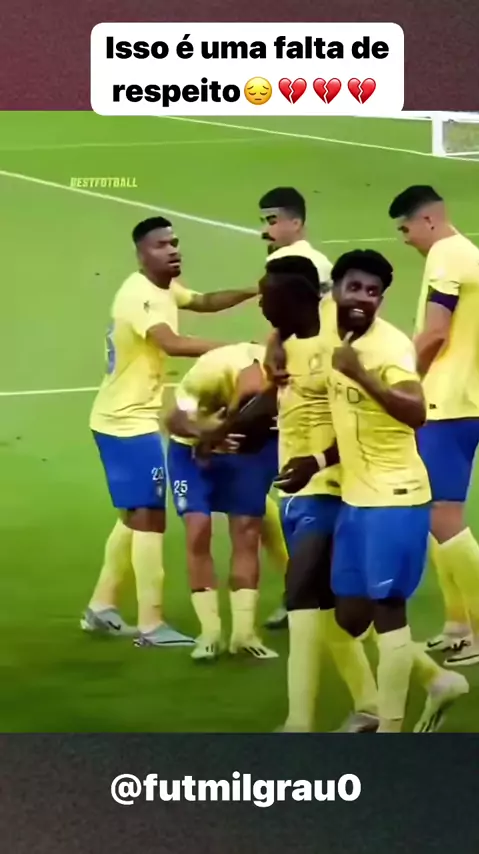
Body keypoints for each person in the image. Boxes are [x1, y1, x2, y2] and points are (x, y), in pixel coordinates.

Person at [84, 216, 257, 647]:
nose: (173, 249)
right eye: (161, 245)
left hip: (130, 416)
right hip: (126, 421)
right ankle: (151, 625)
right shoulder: (139, 295)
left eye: (174, 242)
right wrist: (234, 349)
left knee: (135, 515)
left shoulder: (164, 288)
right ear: (141, 254)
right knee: (150, 518)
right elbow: (172, 343)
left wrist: (254, 289)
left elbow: (205, 300)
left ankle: (101, 607)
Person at [315, 249, 468, 732]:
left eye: (373, 292)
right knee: (348, 615)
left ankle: (390, 729)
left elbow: (415, 410)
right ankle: (439, 683)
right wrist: (315, 462)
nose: (364, 298)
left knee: (388, 612)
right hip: (355, 499)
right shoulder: (330, 333)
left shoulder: (391, 348)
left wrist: (360, 373)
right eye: (355, 288)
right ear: (336, 290)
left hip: (397, 499)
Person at [259, 255, 379, 732]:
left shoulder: (338, 344)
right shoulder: (289, 340)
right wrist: (220, 432)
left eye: (268, 299)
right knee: (328, 614)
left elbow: (361, 424)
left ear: (295, 299)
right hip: (297, 491)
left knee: (302, 600)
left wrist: (317, 461)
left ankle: (299, 724)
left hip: (329, 490)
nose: (261, 308)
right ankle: (384, 699)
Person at [389, 186, 479, 665]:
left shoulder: (445, 256)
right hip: (465, 401)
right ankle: (457, 624)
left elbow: (436, 332)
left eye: (405, 228)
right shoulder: (470, 254)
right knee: (437, 513)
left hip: (444, 404)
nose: (405, 239)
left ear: (427, 220)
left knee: (444, 517)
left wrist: (404, 382)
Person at [165, 342, 279, 661]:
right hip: (191, 447)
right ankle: (210, 632)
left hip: (250, 450)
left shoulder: (293, 377)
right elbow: (173, 420)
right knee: (198, 528)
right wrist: (209, 435)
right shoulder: (210, 371)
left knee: (247, 531)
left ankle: (244, 634)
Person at [258, 186, 333, 630]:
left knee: (301, 489)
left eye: (272, 220)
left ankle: (303, 594)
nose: (265, 230)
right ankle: (310, 591)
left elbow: (293, 319)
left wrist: (274, 348)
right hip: (308, 375)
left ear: (296, 221)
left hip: (305, 383)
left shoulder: (290, 262)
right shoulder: (319, 261)